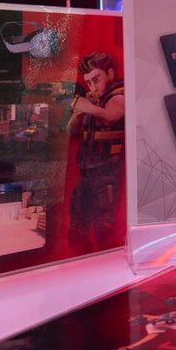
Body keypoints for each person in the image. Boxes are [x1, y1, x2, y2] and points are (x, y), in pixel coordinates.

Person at [68, 52, 125, 251]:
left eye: (96, 80)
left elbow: (110, 116)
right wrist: (79, 112)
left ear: (110, 74)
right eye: (89, 82)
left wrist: (86, 105)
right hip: (85, 176)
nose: (93, 87)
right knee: (76, 230)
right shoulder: (93, 102)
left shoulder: (118, 96)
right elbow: (71, 131)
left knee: (104, 231)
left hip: (106, 175)